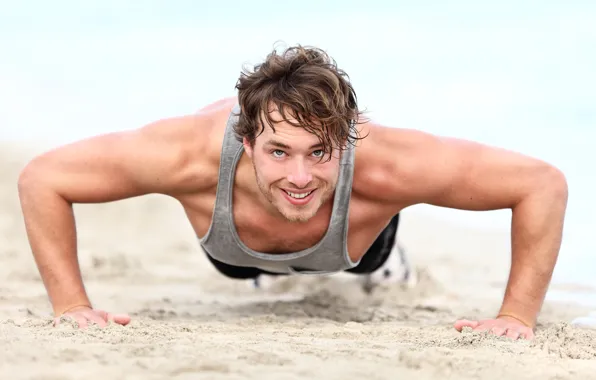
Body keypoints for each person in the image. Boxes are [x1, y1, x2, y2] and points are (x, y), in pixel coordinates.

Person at [17, 44, 568, 340]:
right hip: (233, 253)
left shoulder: (389, 164)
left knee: (366, 260)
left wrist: (516, 317)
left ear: (346, 140)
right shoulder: (186, 155)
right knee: (241, 270)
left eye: (320, 152)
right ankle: (263, 267)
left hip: (354, 246)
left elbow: (540, 184)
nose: (301, 177)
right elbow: (44, 179)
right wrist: (72, 308)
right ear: (246, 139)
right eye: (279, 151)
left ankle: (383, 257)